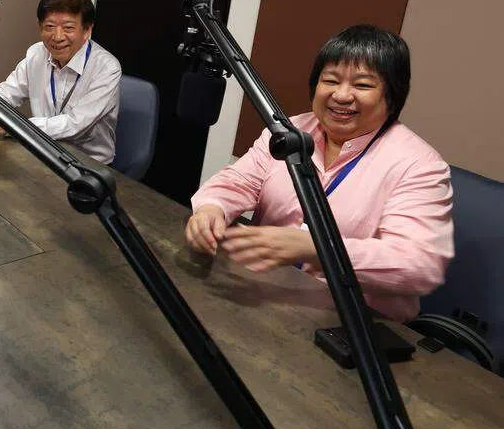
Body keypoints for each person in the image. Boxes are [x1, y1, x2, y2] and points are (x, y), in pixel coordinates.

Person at [185, 25, 453, 321]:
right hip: (265, 296)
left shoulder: (419, 164)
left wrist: (320, 250)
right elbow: (238, 181)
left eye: (363, 85)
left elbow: (419, 264)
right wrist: (212, 209)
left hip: (353, 321)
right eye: (331, 80)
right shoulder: (289, 131)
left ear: (392, 95)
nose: (341, 95)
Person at [0, 0, 122, 165]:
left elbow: (75, 125)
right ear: (40, 27)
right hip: (43, 152)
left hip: (89, 164)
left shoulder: (106, 68)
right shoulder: (37, 53)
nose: (57, 36)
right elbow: (7, 93)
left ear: (87, 30)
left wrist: (9, 126)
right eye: (49, 26)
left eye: (68, 28)